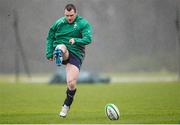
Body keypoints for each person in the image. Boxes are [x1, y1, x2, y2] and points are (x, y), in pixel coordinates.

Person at [45, 4, 92, 118]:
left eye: (71, 15)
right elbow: (50, 36)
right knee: (61, 47)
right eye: (67, 15)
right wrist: (49, 52)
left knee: (71, 83)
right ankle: (58, 55)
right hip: (63, 49)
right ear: (64, 14)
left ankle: (66, 105)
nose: (69, 18)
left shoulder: (83, 23)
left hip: (76, 53)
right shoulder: (59, 23)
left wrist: (75, 40)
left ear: (76, 13)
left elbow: (88, 39)